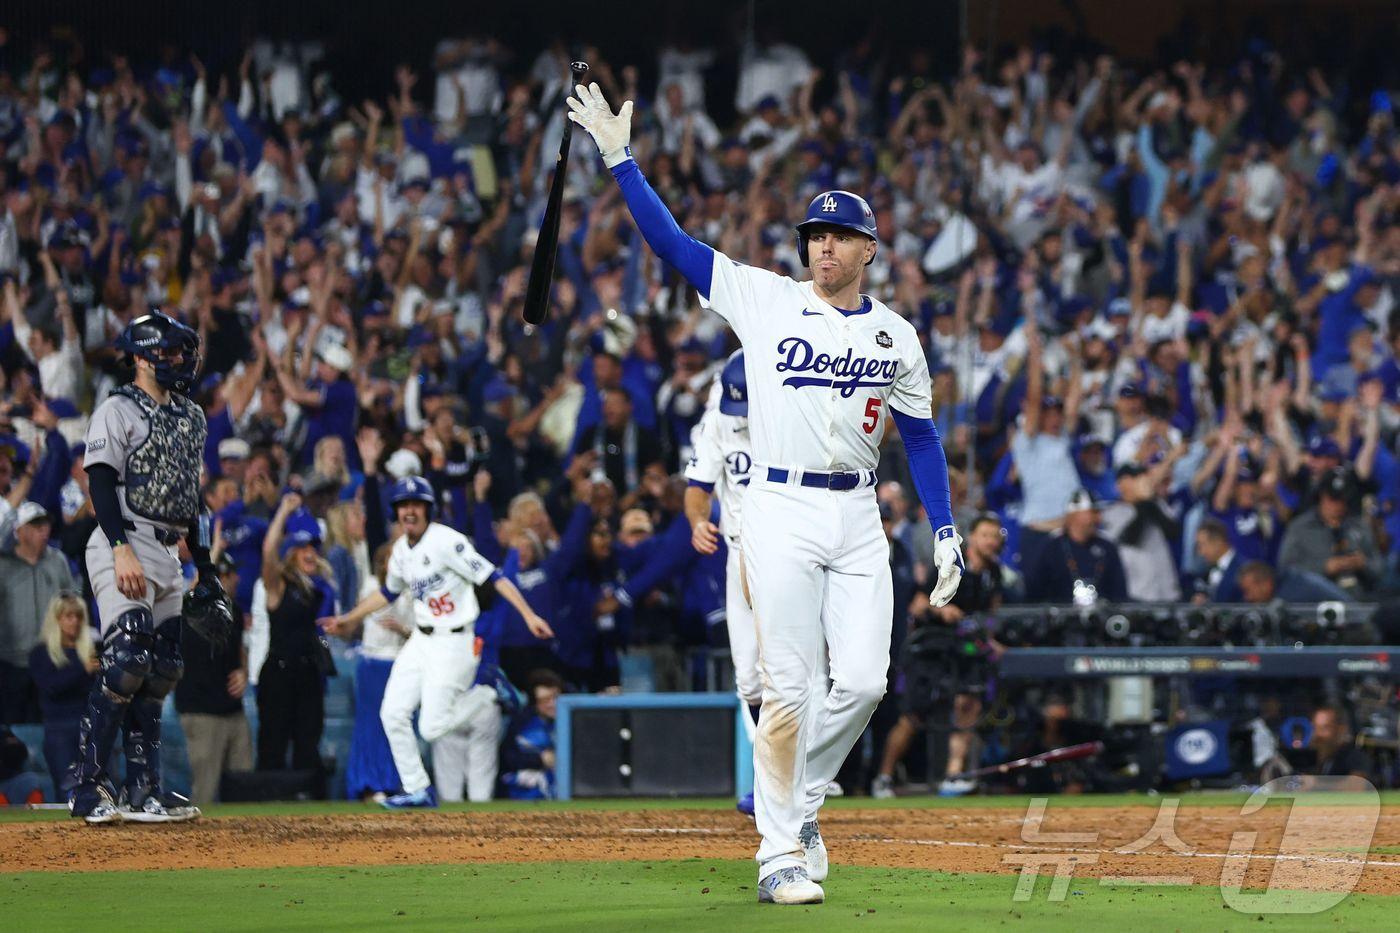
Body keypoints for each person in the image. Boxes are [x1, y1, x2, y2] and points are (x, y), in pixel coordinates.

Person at [569, 85, 963, 905]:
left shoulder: (897, 334)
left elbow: (920, 437)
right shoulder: (766, 297)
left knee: (861, 682)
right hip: (777, 509)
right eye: (815, 235)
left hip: (858, 511)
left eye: (839, 236)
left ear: (869, 250)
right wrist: (619, 161)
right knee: (788, 686)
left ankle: (804, 800)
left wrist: (948, 529)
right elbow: (673, 245)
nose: (822, 247)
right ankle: (778, 850)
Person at [321, 475, 554, 809]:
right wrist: (350, 618)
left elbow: (494, 577)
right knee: (392, 713)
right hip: (421, 639)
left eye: (416, 504)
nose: (409, 511)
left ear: (427, 509)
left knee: (431, 728)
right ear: (397, 512)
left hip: (453, 641)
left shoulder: (447, 541)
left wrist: (529, 615)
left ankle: (488, 691)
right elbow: (388, 592)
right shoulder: (401, 550)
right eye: (404, 505)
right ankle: (418, 789)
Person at [71, 311, 222, 824]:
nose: (178, 359)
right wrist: (119, 546)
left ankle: (145, 789)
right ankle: (87, 786)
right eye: (168, 350)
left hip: (169, 546)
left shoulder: (190, 416)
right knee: (127, 659)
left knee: (162, 670)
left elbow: (192, 498)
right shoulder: (117, 408)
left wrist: (206, 568)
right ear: (140, 356)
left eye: (182, 350)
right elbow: (99, 480)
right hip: (126, 538)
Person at [872, 513, 1006, 799]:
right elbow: (917, 606)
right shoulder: (951, 564)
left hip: (965, 649)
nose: (991, 542)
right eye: (985, 535)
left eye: (995, 537)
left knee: (968, 706)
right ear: (972, 538)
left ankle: (953, 774)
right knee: (914, 715)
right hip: (932, 647)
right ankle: (883, 776)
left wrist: (991, 640)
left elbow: (992, 613)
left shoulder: (993, 573)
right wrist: (940, 610)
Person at [684, 350, 760, 815]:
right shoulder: (718, 422)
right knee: (749, 681)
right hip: (739, 554)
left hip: (789, 555)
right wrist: (697, 521)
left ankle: (791, 778)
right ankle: (777, 772)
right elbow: (697, 487)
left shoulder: (794, 420)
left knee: (797, 676)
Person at [256, 494, 335, 779]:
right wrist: (283, 511)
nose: (310, 553)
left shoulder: (323, 589)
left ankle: (309, 810)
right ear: (291, 553)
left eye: (313, 546)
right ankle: (267, 810)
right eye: (302, 547)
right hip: (279, 674)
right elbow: (268, 551)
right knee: (273, 745)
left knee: (308, 745)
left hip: (309, 673)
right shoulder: (278, 584)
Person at [175, 551, 253, 805]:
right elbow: (191, 593)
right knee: (205, 792)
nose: (237, 579)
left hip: (233, 710)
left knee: (243, 788)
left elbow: (240, 652)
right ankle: (200, 845)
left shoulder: (236, 612)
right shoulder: (189, 611)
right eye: (229, 574)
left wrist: (244, 671)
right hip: (201, 712)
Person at [0, 502, 76, 725]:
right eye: (35, 526)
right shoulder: (3, 566)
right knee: (11, 728)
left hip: (51, 660)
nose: (43, 531)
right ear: (19, 531)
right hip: (11, 662)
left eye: (45, 525)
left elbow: (71, 605)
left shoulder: (57, 561)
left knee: (50, 727)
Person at [27, 592, 97, 800]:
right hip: (59, 726)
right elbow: (51, 687)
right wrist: (82, 670)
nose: (74, 622)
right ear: (56, 619)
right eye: (68, 616)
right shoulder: (41, 653)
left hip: (90, 725)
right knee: (67, 785)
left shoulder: (90, 652)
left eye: (78, 617)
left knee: (95, 784)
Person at [1025, 489, 1128, 604]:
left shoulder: (1107, 546)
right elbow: (1034, 590)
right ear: (1074, 514)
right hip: (1059, 618)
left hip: (1100, 617)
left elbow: (1119, 593)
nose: (1099, 518)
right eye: (1093, 512)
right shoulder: (1052, 546)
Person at [500, 670, 563, 800]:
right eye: (545, 700)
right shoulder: (521, 722)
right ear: (535, 702)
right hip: (525, 791)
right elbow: (508, 757)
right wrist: (540, 759)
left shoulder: (572, 719)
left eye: (555, 698)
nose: (552, 704)